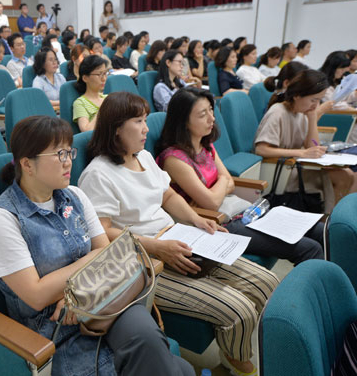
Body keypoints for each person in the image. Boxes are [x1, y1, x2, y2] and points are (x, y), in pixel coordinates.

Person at [78, 91, 279, 376]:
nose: (146, 128)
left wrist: (198, 220)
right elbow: (103, 232)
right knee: (239, 309)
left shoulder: (145, 157)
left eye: (146, 119)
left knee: (267, 282)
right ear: (116, 128)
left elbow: (168, 197)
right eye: (138, 121)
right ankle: (239, 365)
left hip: (178, 237)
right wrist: (157, 248)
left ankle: (235, 352)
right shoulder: (98, 174)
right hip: (143, 262)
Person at [0, 114, 195, 376]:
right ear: (28, 164)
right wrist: (87, 265)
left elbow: (107, 252)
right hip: (56, 330)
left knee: (148, 338)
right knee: (169, 367)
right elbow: (36, 296)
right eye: (59, 154)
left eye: (69, 152)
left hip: (103, 301)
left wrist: (77, 287)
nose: (69, 161)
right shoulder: (2, 219)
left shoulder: (75, 196)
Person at [158, 87, 325, 265]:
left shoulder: (206, 144)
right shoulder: (174, 158)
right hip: (221, 223)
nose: (212, 119)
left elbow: (228, 182)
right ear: (183, 121)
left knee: (319, 230)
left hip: (244, 211)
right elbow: (211, 202)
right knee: (309, 248)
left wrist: (221, 185)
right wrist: (223, 182)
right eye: (202, 115)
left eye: (211, 111)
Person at [255, 69, 356, 205]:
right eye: (313, 100)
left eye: (319, 100)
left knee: (348, 175)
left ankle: (331, 217)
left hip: (295, 165)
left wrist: (312, 118)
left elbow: (312, 146)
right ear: (297, 95)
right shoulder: (277, 113)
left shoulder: (301, 113)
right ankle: (329, 219)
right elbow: (262, 149)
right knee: (344, 177)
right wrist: (301, 152)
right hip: (283, 171)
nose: (316, 105)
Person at [73, 55, 107, 132]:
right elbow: (86, 131)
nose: (104, 78)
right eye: (99, 74)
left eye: (105, 73)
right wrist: (103, 109)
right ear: (85, 78)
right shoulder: (80, 103)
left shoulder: (107, 98)